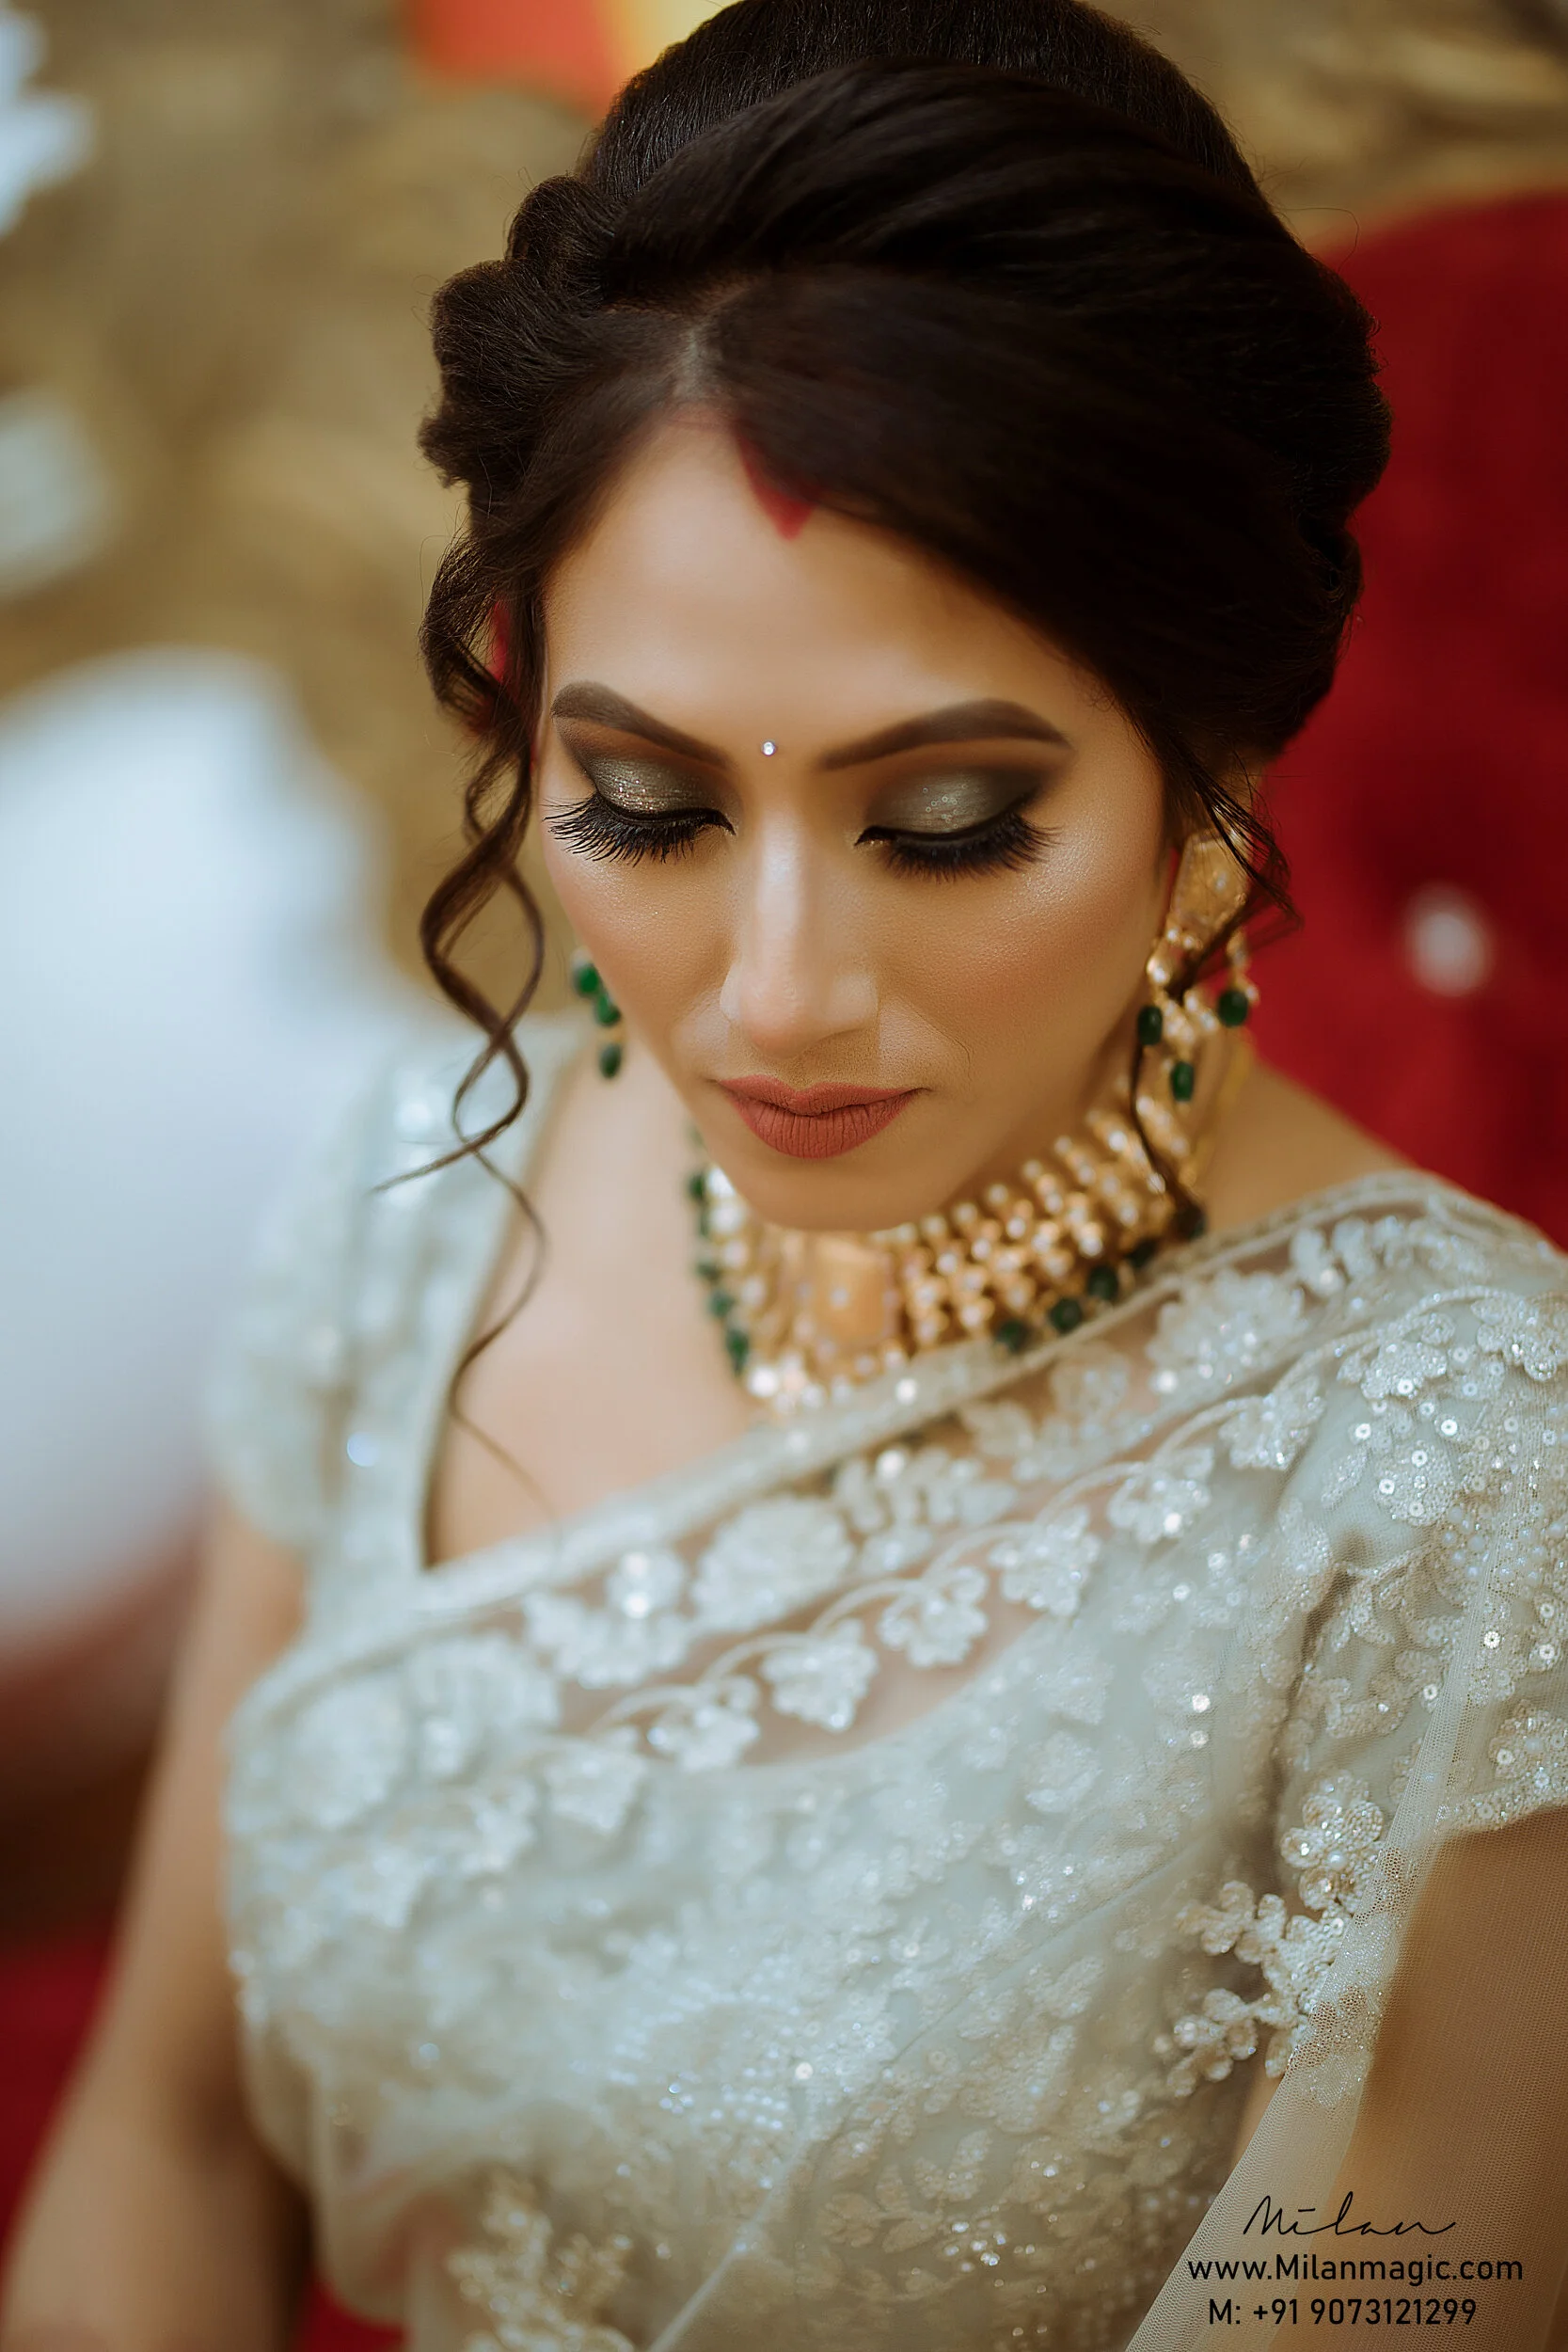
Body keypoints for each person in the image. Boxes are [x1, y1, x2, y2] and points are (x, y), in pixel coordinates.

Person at [6, 3, 1568, 2346]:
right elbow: (169, 2129)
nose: (770, 993)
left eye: (944, 821)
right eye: (642, 806)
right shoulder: (422, 1203)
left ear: (1209, 771)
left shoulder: (1461, 1479)